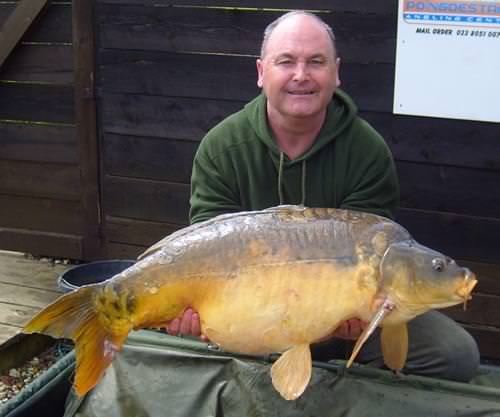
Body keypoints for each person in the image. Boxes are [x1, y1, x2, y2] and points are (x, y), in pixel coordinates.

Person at [166, 10, 479, 382]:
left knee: (456, 355)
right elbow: (205, 253)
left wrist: (352, 317)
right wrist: (192, 314)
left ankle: (341, 388)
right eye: (286, 62)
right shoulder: (221, 148)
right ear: (262, 71)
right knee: (194, 345)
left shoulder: (366, 150)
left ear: (336, 71)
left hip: (346, 321)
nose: (301, 75)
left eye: (316, 62)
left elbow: (370, 263)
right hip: (253, 316)